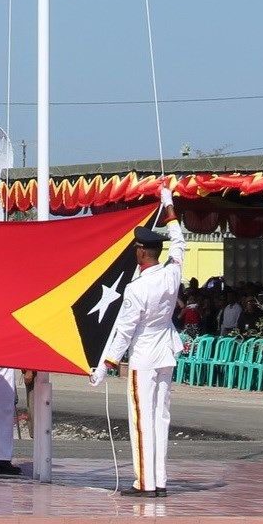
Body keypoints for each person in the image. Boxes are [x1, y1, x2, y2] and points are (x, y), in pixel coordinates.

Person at [89, 186, 184, 499]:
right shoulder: (172, 274)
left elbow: (124, 332)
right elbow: (179, 240)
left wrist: (105, 366)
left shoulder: (137, 288)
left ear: (143, 252)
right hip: (166, 353)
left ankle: (145, 482)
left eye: (136, 249)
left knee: (142, 419)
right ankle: (159, 480)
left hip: (143, 357)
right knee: (161, 418)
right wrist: (168, 204)